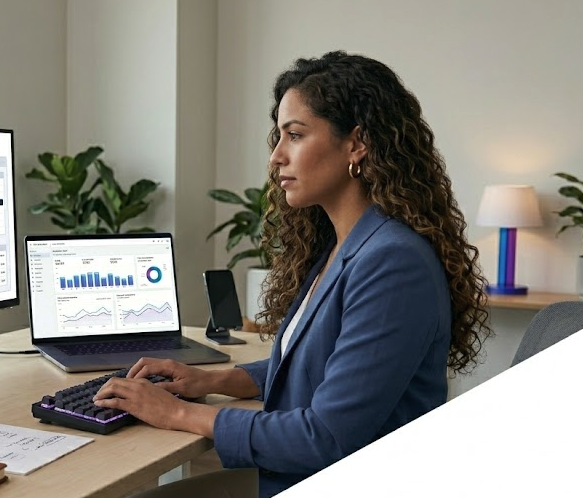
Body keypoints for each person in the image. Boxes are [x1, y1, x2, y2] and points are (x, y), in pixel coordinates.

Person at [92, 50, 491, 497]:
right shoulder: (344, 244)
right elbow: (315, 367)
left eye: (295, 135)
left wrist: (177, 413)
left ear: (357, 144)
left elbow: (326, 438)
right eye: (279, 137)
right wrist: (211, 380)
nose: (276, 157)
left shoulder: (392, 263)